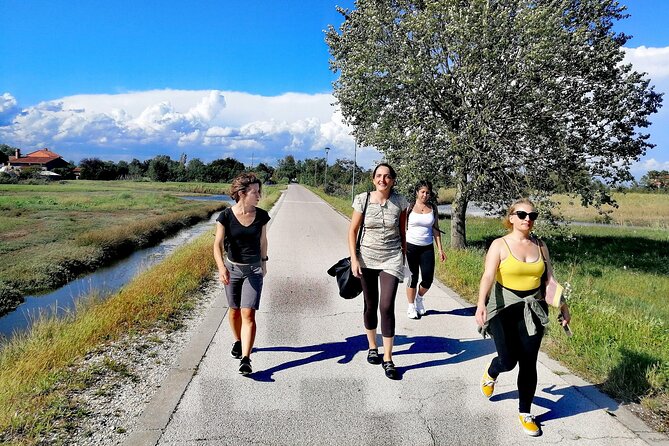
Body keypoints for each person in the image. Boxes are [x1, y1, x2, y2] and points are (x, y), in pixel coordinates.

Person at [475, 198, 571, 436]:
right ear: (511, 218)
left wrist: (564, 307)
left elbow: (549, 280)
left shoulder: (540, 246)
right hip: (504, 308)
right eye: (522, 214)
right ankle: (492, 372)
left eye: (532, 215)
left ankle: (525, 411)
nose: (527, 219)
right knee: (507, 360)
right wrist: (480, 304)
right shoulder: (499, 244)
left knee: (528, 362)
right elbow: (488, 276)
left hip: (534, 309)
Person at [349, 163, 408, 380]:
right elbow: (352, 230)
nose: (382, 179)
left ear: (393, 180)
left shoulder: (400, 202)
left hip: (392, 258)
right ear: (373, 179)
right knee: (370, 305)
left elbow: (403, 231)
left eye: (387, 176)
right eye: (379, 176)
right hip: (366, 258)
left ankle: (388, 358)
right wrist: (354, 259)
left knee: (386, 306)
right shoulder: (362, 199)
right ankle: (372, 346)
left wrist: (405, 257)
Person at [213, 173, 270, 376]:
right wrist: (221, 268)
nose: (259, 196)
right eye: (255, 192)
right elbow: (217, 244)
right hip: (232, 269)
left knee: (248, 313)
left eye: (258, 191)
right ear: (242, 193)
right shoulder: (225, 216)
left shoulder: (262, 216)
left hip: (253, 270)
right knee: (235, 310)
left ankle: (246, 359)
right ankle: (237, 340)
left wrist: (264, 262)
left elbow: (263, 241)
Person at [404, 180, 446, 319]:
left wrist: (440, 250)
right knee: (413, 278)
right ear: (417, 192)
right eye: (422, 192)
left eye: (427, 192)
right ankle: (411, 307)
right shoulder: (409, 207)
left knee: (428, 279)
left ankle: (419, 298)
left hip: (427, 248)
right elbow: (401, 228)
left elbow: (436, 230)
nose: (425, 195)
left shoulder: (433, 208)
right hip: (411, 247)